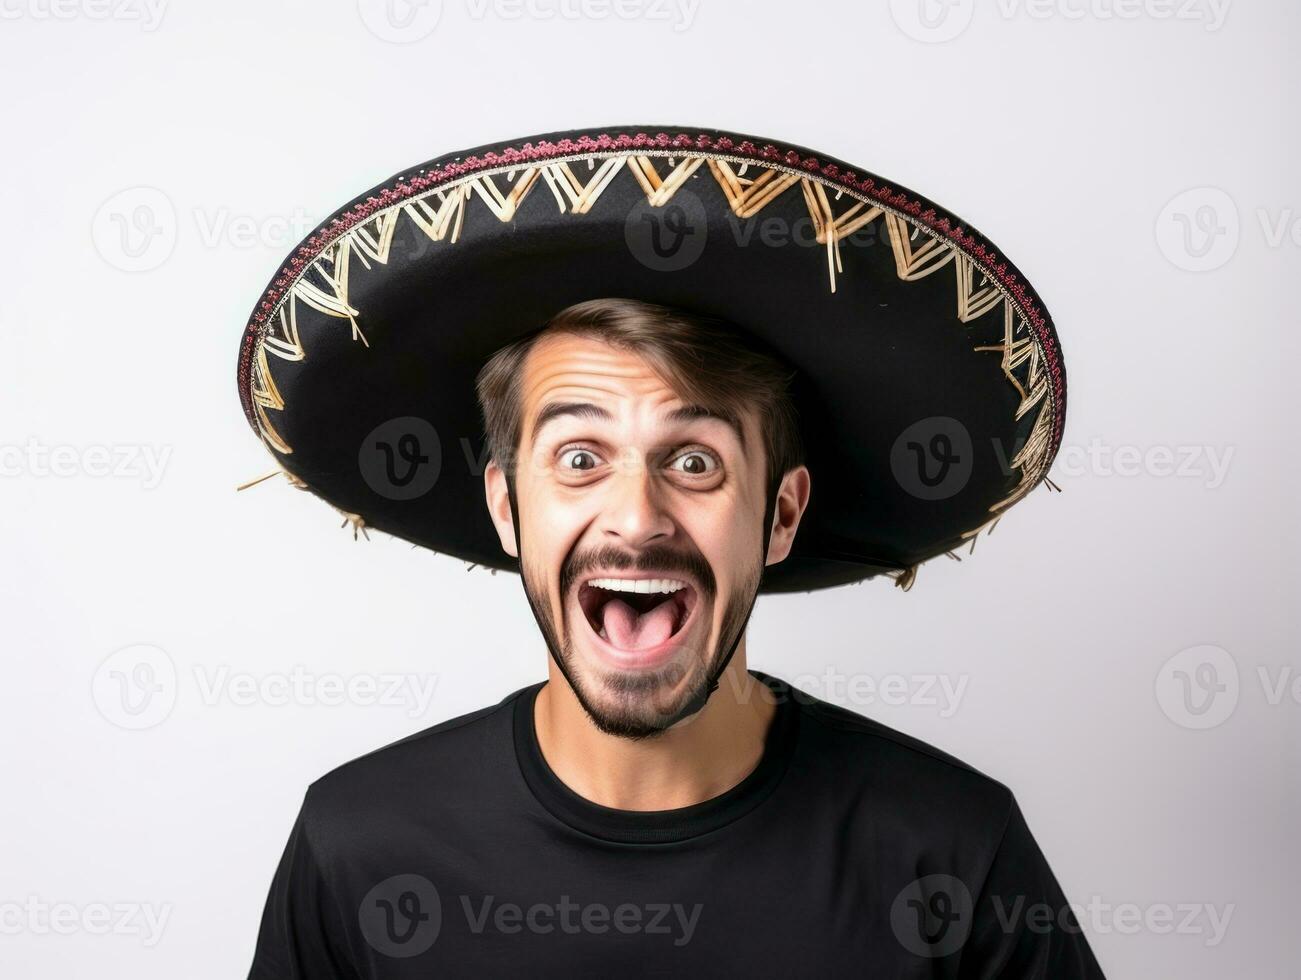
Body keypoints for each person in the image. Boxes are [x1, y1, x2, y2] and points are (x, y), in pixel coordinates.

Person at [238, 129, 1104, 977]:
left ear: (779, 515)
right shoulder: (356, 846)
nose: (636, 517)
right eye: (580, 459)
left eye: (695, 463)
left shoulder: (951, 851)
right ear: (507, 507)